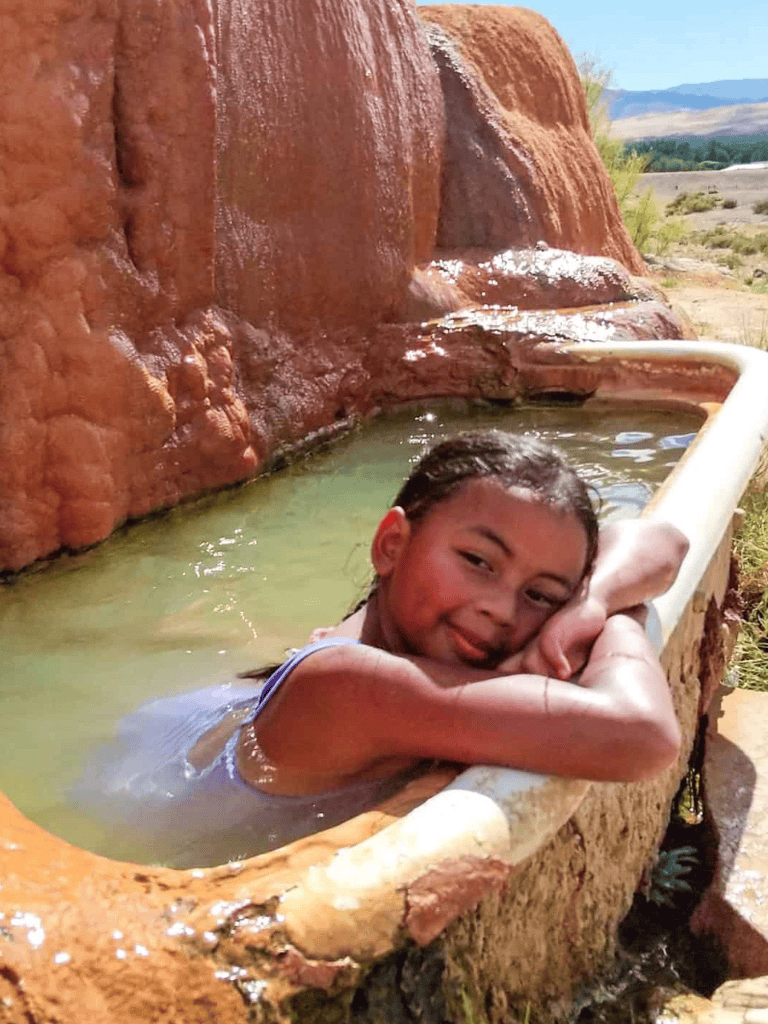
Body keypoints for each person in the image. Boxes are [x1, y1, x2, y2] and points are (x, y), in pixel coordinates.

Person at [77, 431, 687, 867]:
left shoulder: (381, 647)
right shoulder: (350, 683)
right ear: (391, 543)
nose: (502, 610)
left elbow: (661, 538)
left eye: (539, 594)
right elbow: (642, 734)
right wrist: (609, 621)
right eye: (477, 562)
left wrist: (591, 600)